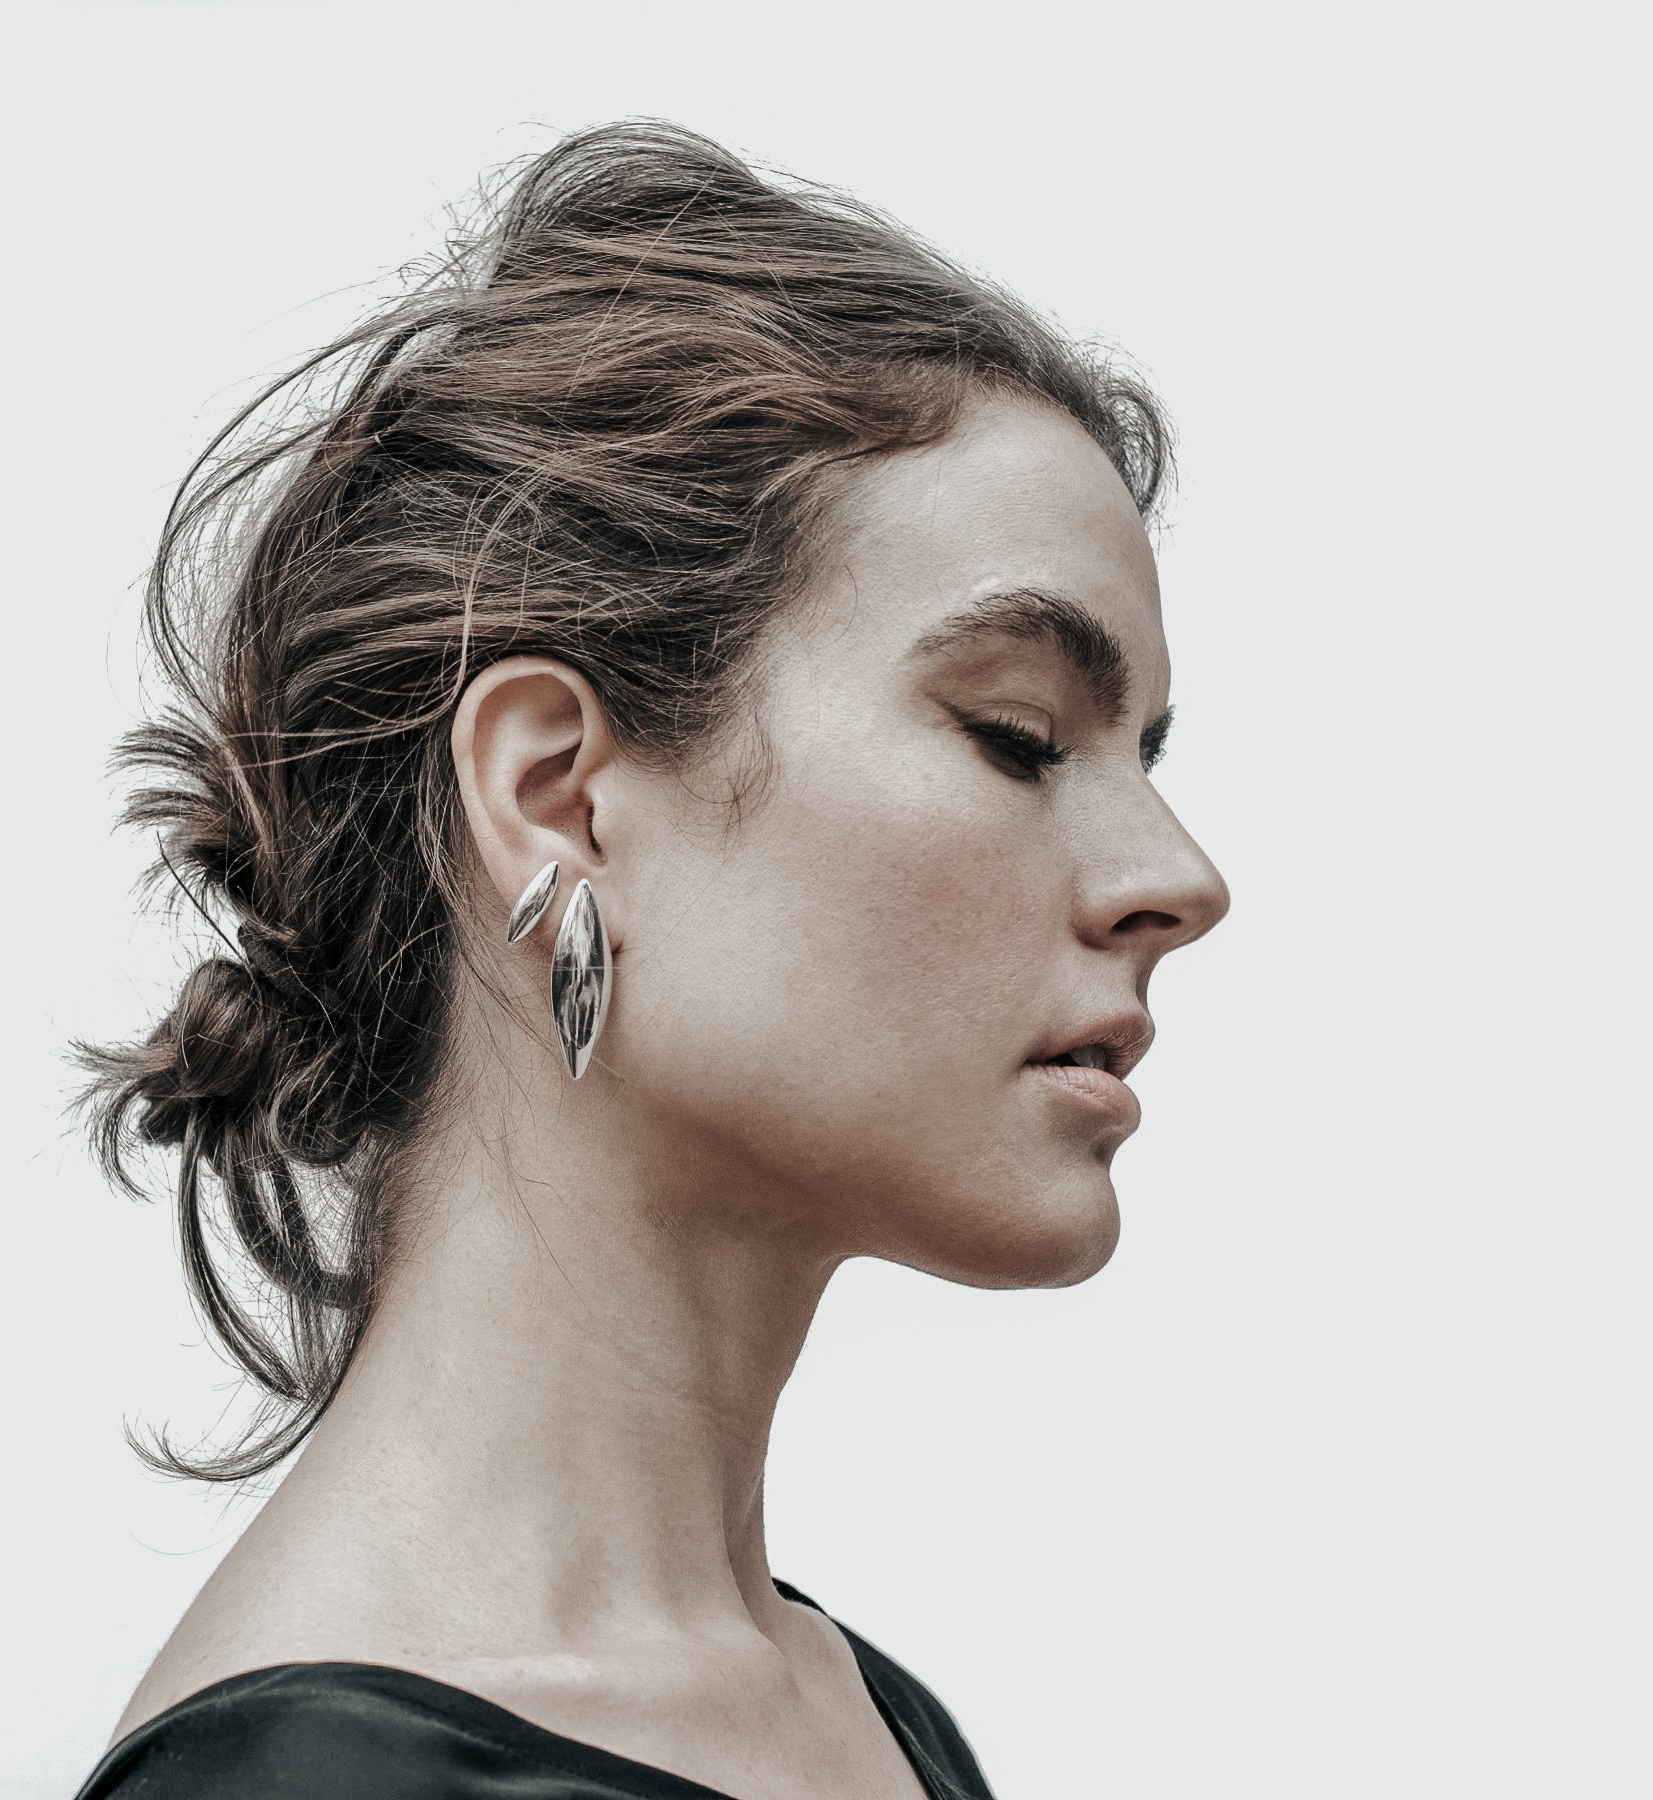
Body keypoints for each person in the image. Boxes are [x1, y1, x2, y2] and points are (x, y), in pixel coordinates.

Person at [67, 118, 1231, 1800]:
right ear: (559, 797)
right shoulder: (311, 1786)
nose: (1177, 881)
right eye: (1019, 735)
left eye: (1150, 757)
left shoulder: (874, 1721)